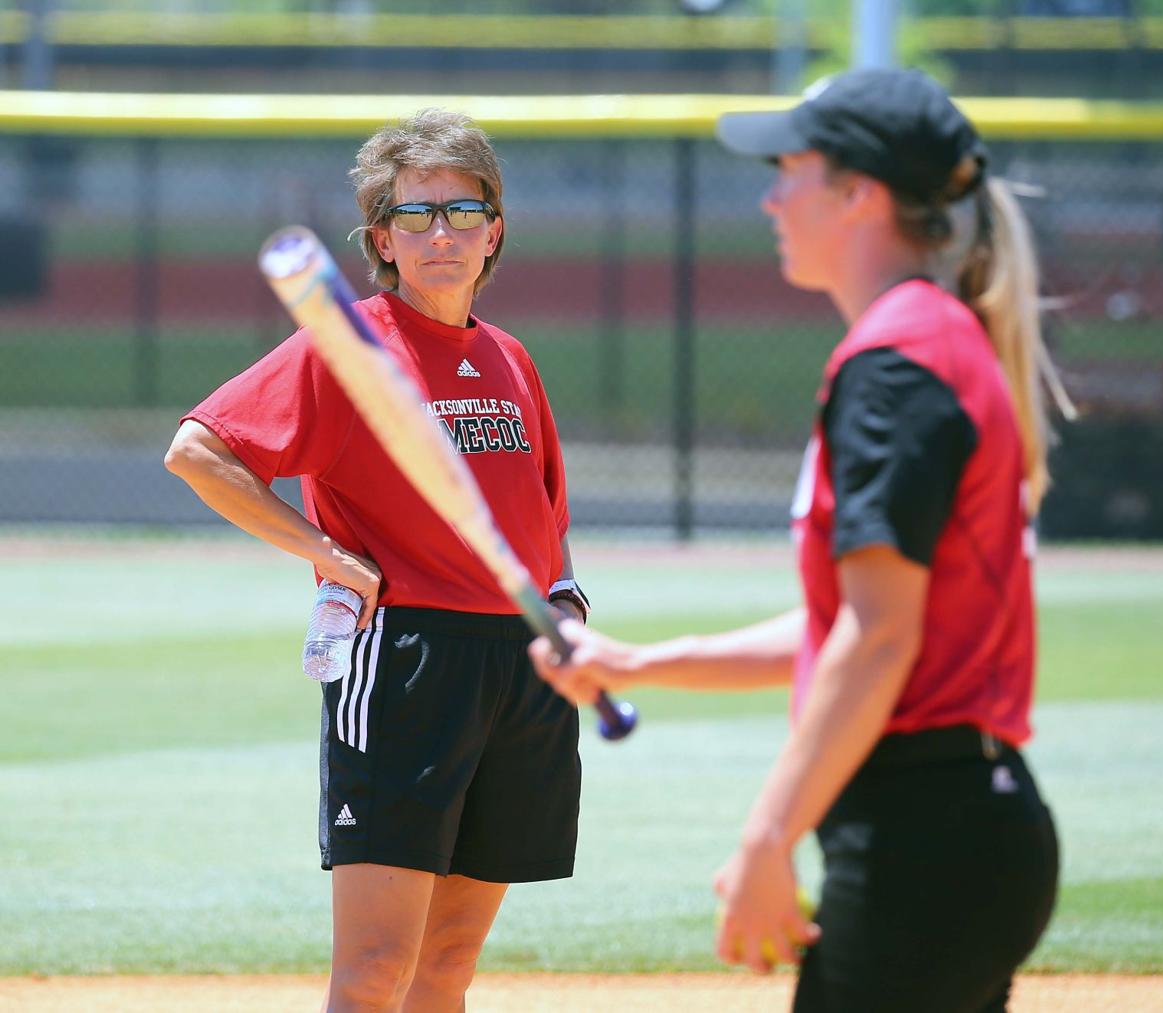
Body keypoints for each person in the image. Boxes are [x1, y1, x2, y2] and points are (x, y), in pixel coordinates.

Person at [531, 68, 1068, 1012]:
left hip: (922, 835)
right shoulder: (932, 339)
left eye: (792, 169)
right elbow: (853, 623)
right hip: (964, 829)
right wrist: (643, 660)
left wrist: (768, 836)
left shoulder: (896, 364)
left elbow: (881, 638)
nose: (772, 196)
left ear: (860, 193)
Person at [166, 108, 589, 1012]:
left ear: (495, 233)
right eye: (415, 214)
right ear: (383, 240)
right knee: (373, 973)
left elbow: (543, 518)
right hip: (407, 660)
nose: (442, 233)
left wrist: (568, 609)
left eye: (463, 213)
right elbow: (199, 451)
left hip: (521, 666)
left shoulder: (510, 358)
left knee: (447, 968)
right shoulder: (349, 347)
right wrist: (326, 555)